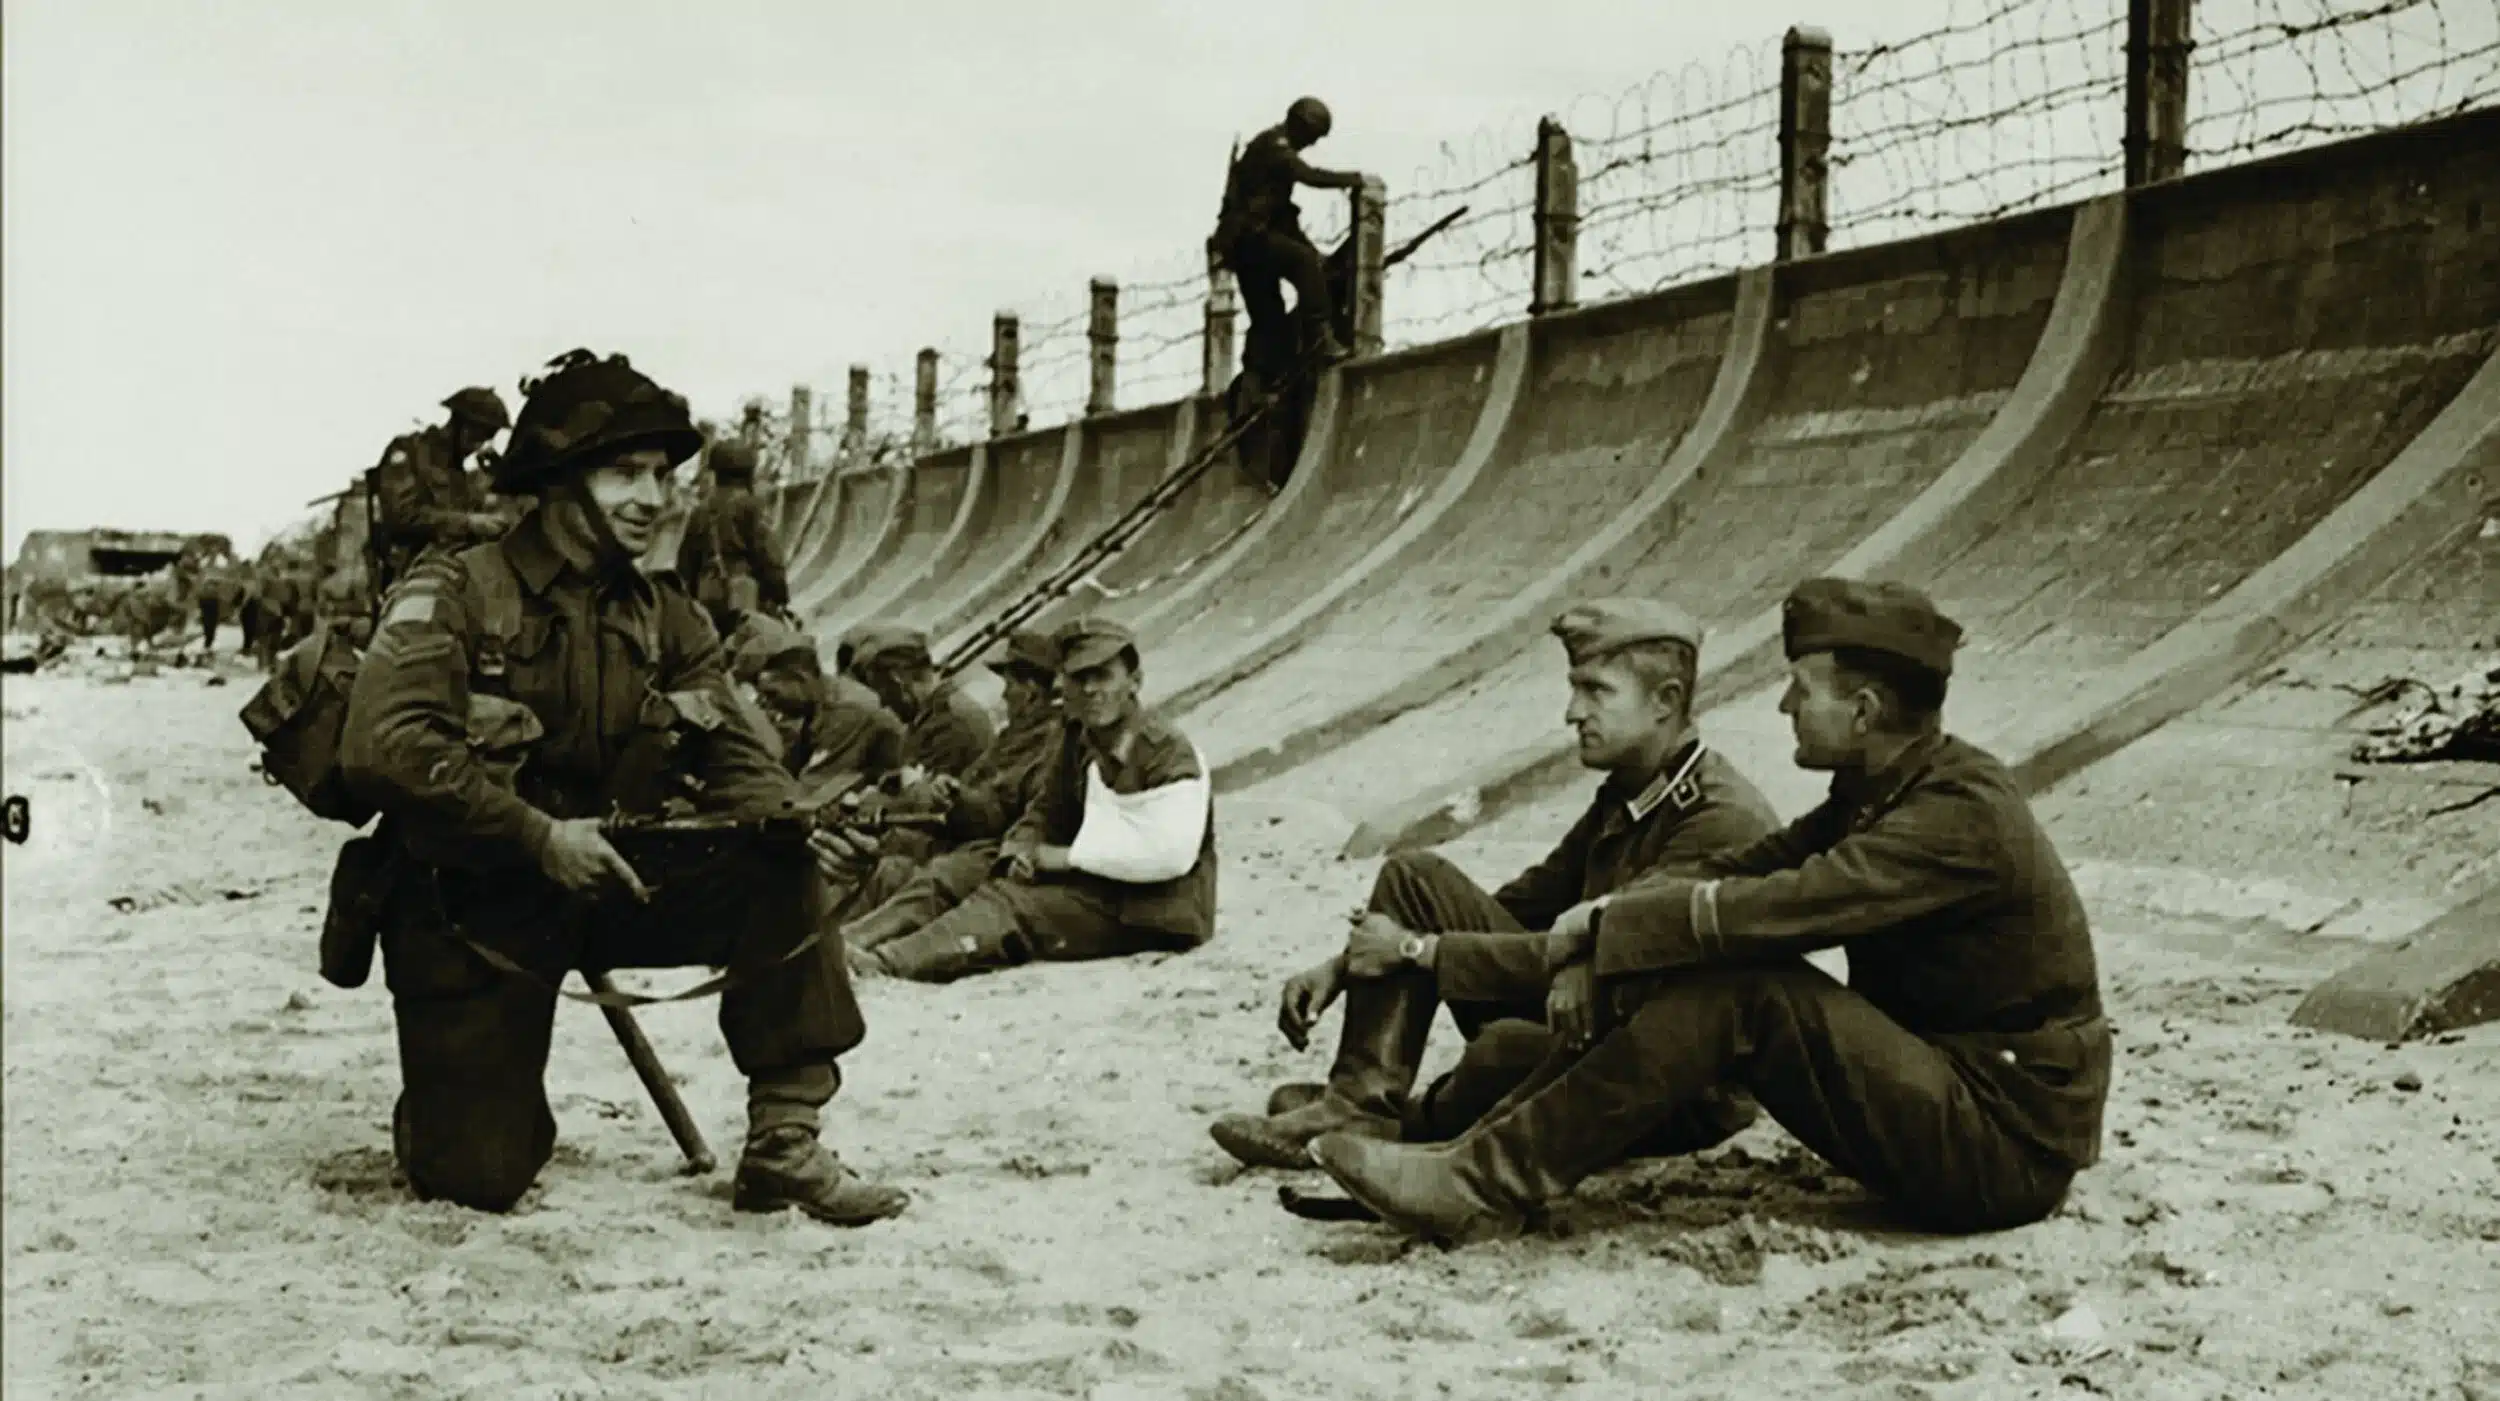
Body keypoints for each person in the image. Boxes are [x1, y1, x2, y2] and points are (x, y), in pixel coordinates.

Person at [1304, 578, 2114, 1246]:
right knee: (1699, 953)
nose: (1783, 708)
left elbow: (1792, 903)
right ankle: (1465, 1164)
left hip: (2002, 1146)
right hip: (1950, 1097)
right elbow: (1748, 870)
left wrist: (1608, 930)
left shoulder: (1959, 812)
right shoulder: (1887, 790)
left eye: (1801, 691)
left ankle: (1479, 1179)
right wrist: (1608, 933)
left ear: (1863, 712)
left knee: (1743, 982)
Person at [337, 348, 906, 1226]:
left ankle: (784, 1144)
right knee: (477, 1176)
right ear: (559, 483)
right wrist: (536, 837)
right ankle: (458, 1096)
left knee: (776, 866)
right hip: (469, 900)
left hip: (610, 874)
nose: (651, 498)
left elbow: (740, 762)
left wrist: (804, 825)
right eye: (622, 474)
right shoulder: (455, 587)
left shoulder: (665, 614)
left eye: (659, 475)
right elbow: (381, 744)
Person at [1207, 599, 1778, 1172]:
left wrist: (1411, 950)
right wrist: (1345, 963)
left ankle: (1398, 1117)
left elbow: (1601, 952)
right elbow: (1522, 904)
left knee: (1499, 1054)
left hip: (1669, 1079)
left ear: (1666, 701)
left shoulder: (1715, 818)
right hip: (1597, 1021)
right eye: (1574, 689)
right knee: (1416, 879)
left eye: (1596, 691)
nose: (1572, 713)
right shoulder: (1633, 788)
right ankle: (1358, 1103)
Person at [851, 616, 1216, 983]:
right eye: (1078, 678)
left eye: (1103, 676)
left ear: (1134, 682)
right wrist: (1020, 848)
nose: (1090, 690)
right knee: (984, 873)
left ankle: (889, 963)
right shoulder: (1078, 738)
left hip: (1158, 910)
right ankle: (857, 945)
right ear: (1064, 686)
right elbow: (1047, 810)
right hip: (1106, 889)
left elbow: (1169, 856)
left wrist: (1061, 859)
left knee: (1012, 906)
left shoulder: (1166, 751)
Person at [833, 627, 1069, 968]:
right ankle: (843, 937)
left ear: (1031, 690)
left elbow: (1010, 803)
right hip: (980, 836)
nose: (1004, 696)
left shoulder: (1042, 735)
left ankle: (864, 945)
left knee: (940, 873)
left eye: (1010, 685)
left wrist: (948, 796)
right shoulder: (1020, 732)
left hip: (1002, 846)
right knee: (893, 867)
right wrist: (953, 794)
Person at [1209, 96, 1368, 370]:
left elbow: (1282, 219)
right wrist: (1354, 179)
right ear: (1298, 125)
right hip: (1249, 240)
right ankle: (1320, 338)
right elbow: (1308, 175)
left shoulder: (1270, 151)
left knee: (1269, 318)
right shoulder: (1274, 147)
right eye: (1312, 135)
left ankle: (1260, 379)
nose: (1313, 143)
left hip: (1243, 244)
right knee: (1303, 263)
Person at [726, 612, 905, 790]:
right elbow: (786, 770)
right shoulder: (817, 709)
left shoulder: (846, 710)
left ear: (801, 678)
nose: (767, 704)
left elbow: (812, 789)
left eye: (772, 694)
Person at [371, 386, 513, 598]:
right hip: (411, 577)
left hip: (456, 576)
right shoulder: (410, 451)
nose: (478, 445)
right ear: (458, 424)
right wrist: (469, 522)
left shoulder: (463, 475)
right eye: (476, 435)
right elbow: (401, 516)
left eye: (486, 437)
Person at [674, 439, 791, 637]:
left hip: (708, 598)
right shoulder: (751, 507)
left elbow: (685, 566)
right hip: (745, 600)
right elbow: (768, 556)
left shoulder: (701, 511)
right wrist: (779, 595)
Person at [848, 624, 997, 779]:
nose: (884, 703)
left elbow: (925, 798)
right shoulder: (931, 715)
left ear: (898, 680)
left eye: (883, 692)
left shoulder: (948, 724)